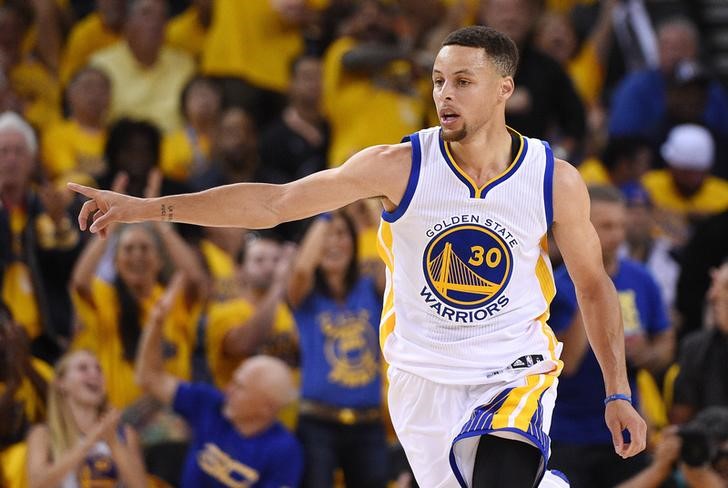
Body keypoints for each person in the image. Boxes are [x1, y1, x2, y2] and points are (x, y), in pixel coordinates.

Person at [69, 25, 647, 488]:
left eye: (463, 81)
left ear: (504, 89)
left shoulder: (554, 179)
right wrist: (146, 207)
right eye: (439, 80)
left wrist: (616, 391)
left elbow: (594, 288)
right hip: (421, 377)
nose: (445, 94)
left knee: (503, 473)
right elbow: (275, 204)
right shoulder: (398, 165)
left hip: (514, 369)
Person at [547, 185, 674, 488]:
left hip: (625, 425)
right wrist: (591, 291)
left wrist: (649, 354)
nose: (617, 236)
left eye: (620, 225)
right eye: (605, 226)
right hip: (567, 430)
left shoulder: (640, 278)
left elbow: (666, 342)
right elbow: (569, 363)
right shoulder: (556, 285)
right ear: (583, 227)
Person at [135, 276, 303, 487]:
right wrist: (156, 324)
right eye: (234, 381)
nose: (229, 389)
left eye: (241, 388)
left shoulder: (284, 450)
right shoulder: (210, 403)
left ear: (266, 408)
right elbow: (148, 377)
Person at [289, 210, 387, 487]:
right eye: (326, 236)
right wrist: (328, 208)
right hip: (317, 423)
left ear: (354, 243)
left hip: (369, 423)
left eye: (342, 234)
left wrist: (380, 208)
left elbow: (395, 251)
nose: (333, 243)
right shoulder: (304, 294)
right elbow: (301, 268)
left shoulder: (371, 288)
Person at [25, 350, 147, 488]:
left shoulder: (125, 434)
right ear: (61, 383)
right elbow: (36, 484)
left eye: (99, 369)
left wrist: (113, 442)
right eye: (83, 368)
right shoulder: (43, 434)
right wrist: (88, 443)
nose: (94, 374)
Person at [670, 261, 728, 425]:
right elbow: (681, 422)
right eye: (714, 285)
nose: (713, 296)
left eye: (726, 288)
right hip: (707, 446)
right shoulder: (695, 348)